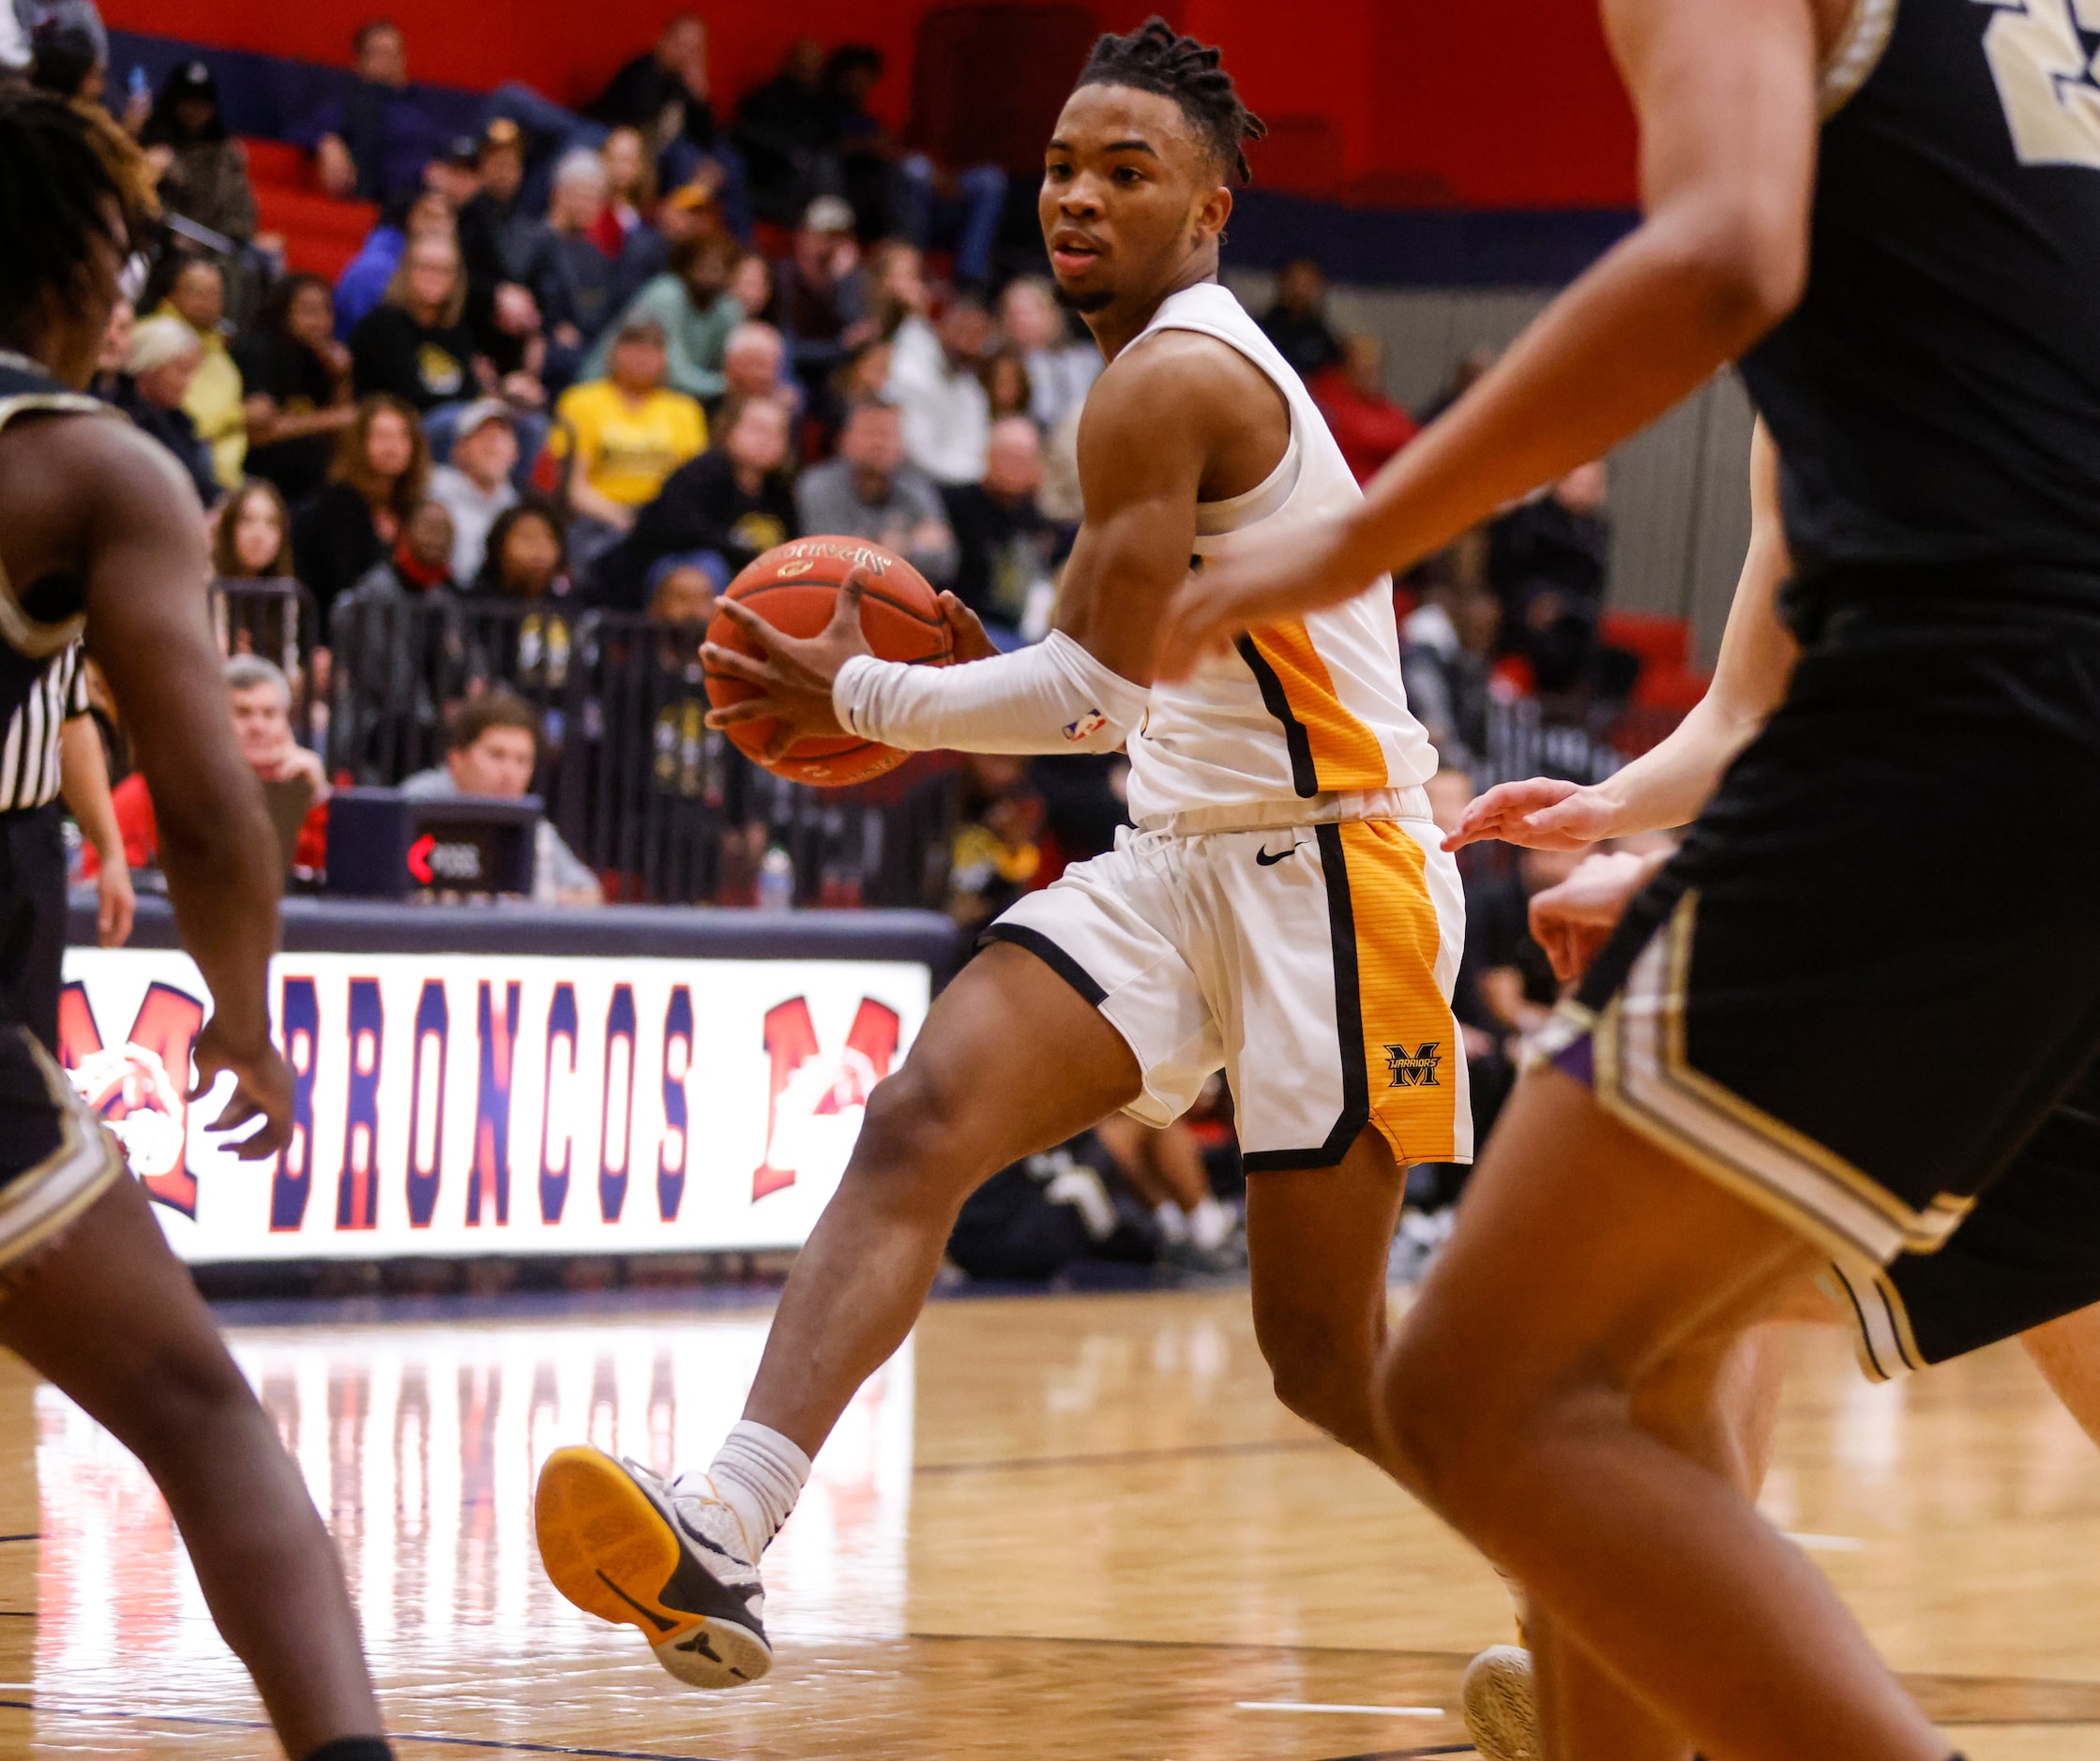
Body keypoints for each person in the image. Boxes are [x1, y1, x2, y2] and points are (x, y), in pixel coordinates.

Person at [1152, 0, 2100, 1745]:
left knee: (1483, 1389)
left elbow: (1718, 253)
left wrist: (1367, 525)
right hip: (2011, 754)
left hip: (1965, 736)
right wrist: (1668, 840)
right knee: (1643, 1357)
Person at [536, 23, 1467, 1702]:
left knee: (1322, 1357)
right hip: (1176, 853)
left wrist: (864, 687)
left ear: (1209, 209)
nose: (1079, 197)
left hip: (1333, 876)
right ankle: (722, 1529)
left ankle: (1613, 1573)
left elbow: (1087, 687)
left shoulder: (1176, 373)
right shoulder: (1132, 383)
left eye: (1127, 170)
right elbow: (1117, 687)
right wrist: (945, 679)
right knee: (915, 1121)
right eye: (1058, 167)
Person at [1443, 423, 2100, 1759]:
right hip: (1955, 931)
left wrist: (1700, 875)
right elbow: (1748, 709)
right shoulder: (1803, 391)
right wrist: (1611, 809)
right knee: (1656, 1295)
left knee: (1622, 1305)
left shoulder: (2010, 340)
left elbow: (1995, 726)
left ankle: (1635, 1658)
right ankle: (1632, 1660)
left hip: (2004, 920)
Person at [0, 88, 395, 1761]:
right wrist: (242, 1010)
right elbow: (220, 811)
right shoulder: (89, 463)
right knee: (203, 1417)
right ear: (86, 260)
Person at [89, 655, 333, 880]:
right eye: (243, 712)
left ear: (287, 723)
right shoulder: (150, 793)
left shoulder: (310, 790)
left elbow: (343, 881)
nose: (258, 726)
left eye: (270, 714)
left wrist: (318, 797)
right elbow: (95, 878)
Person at [589, 393, 795, 610]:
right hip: (653, 569)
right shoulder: (700, 473)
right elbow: (679, 532)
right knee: (703, 571)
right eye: (756, 429)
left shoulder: (780, 490)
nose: (766, 440)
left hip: (739, 574)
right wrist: (743, 554)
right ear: (729, 430)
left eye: (777, 433)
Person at [400, 691, 601, 905]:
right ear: (456, 759)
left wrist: (539, 898)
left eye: (522, 760)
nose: (509, 773)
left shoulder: (527, 822)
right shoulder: (416, 803)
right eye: (497, 755)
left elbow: (589, 893)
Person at [551, 314, 705, 562]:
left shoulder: (684, 410)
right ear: (615, 352)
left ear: (665, 358)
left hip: (662, 520)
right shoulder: (581, 401)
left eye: (653, 348)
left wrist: (654, 523)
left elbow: (691, 487)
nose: (642, 356)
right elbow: (573, 486)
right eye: (634, 346)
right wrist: (622, 518)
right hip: (598, 517)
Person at [793, 398, 955, 588]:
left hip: (903, 599)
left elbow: (945, 561)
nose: (881, 444)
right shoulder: (818, 484)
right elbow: (830, 561)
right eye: (871, 434)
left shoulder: (916, 486)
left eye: (889, 435)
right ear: (844, 439)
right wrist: (908, 544)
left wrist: (872, 546)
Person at [291, 393, 429, 618]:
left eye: (402, 436)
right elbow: (336, 584)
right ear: (360, 443)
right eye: (382, 436)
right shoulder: (339, 503)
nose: (392, 447)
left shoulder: (414, 508)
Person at [940, 414, 1068, 645]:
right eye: (1006, 456)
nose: (1013, 467)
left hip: (1030, 632)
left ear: (1036, 467)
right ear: (987, 455)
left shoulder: (1043, 520)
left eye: (1022, 459)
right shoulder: (953, 504)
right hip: (971, 626)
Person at [295, 18, 449, 205]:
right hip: (394, 202)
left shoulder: (424, 106)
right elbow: (301, 129)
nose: (389, 62)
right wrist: (327, 141)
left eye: (395, 53)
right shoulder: (349, 104)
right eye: (380, 54)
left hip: (443, 197)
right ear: (359, 62)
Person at [234, 275, 357, 505]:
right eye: (309, 312)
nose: (319, 322)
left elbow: (342, 437)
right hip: (260, 481)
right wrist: (329, 419)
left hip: (311, 486)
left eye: (326, 312)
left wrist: (342, 379)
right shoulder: (260, 351)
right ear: (283, 312)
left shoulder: (322, 359)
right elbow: (257, 432)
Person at [581, 231, 741, 400]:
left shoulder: (726, 307)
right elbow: (672, 372)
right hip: (607, 394)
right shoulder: (666, 294)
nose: (712, 270)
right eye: (705, 264)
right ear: (686, 262)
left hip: (663, 401)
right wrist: (728, 385)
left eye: (720, 264)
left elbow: (734, 356)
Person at [514, 147, 623, 386]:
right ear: (558, 192)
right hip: (538, 347)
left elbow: (599, 312)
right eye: (582, 195)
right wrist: (547, 328)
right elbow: (518, 295)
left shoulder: (594, 254)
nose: (589, 205)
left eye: (596, 198)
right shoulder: (529, 239)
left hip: (585, 347)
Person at [349, 230, 484, 413]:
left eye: (445, 270)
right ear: (406, 270)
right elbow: (408, 398)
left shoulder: (454, 329)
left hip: (451, 424)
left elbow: (470, 392)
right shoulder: (382, 325)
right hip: (398, 428)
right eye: (426, 267)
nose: (434, 277)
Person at [139, 58, 255, 246]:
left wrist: (236, 241)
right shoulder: (152, 149)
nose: (194, 109)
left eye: (202, 102)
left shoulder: (226, 154)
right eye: (187, 100)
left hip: (214, 251)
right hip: (160, 247)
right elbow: (140, 205)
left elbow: (240, 215)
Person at [154, 255, 244, 490]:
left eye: (215, 295)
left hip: (227, 482)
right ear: (171, 295)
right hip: (176, 474)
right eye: (198, 292)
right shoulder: (158, 342)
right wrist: (239, 416)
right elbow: (177, 420)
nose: (208, 303)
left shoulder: (221, 356)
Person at [771, 194, 873, 397]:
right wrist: (838, 347)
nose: (830, 246)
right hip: (792, 373)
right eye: (825, 236)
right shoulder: (783, 279)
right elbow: (789, 351)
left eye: (840, 238)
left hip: (833, 376)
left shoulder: (852, 281)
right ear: (802, 237)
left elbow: (860, 337)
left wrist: (843, 283)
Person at [885, 294, 991, 486]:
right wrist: (976, 474)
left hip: (958, 483)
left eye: (977, 339)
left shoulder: (971, 390)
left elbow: (976, 448)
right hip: (905, 481)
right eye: (963, 332)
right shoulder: (908, 370)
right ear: (941, 327)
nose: (968, 345)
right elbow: (917, 453)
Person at [113, 314, 218, 508]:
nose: (188, 384)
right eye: (182, 371)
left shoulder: (181, 421)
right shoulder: (124, 419)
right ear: (149, 366)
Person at [427, 396, 519, 581]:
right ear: (458, 450)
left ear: (515, 453)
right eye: (482, 435)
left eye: (502, 435)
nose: (493, 444)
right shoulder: (432, 488)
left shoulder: (519, 508)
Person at [1310, 333, 1417, 487]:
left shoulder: (1382, 405)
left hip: (1381, 495)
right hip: (1345, 496)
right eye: (1364, 365)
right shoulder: (1326, 395)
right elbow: (1364, 434)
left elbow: (1414, 439)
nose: (1371, 374)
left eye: (1376, 367)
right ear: (1347, 364)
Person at [998, 274, 1099, 432]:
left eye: (1029, 312)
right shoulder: (996, 364)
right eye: (1013, 312)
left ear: (1053, 314)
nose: (1020, 320)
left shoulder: (1088, 360)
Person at [1255, 256, 1342, 379]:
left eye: (1307, 285)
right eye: (1295, 283)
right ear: (1283, 284)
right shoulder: (1260, 330)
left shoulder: (1323, 339)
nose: (1299, 292)